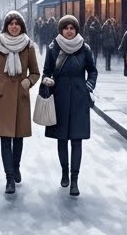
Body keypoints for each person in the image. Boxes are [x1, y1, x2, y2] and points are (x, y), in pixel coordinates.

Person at [0, 11, 39, 194]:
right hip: (2, 98)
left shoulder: (28, 46)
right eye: (11, 23)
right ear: (6, 26)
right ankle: (9, 178)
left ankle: (16, 167)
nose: (14, 26)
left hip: (21, 98)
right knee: (5, 139)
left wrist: (27, 83)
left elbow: (35, 73)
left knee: (19, 138)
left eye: (17, 23)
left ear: (21, 26)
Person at [42, 15, 97, 196]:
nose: (69, 31)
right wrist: (47, 80)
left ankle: (75, 179)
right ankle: (64, 172)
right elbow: (47, 71)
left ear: (77, 30)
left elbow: (92, 71)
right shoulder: (53, 48)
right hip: (60, 97)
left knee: (77, 139)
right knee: (62, 139)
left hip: (80, 98)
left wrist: (89, 85)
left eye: (72, 27)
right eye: (65, 28)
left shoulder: (85, 48)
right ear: (61, 30)